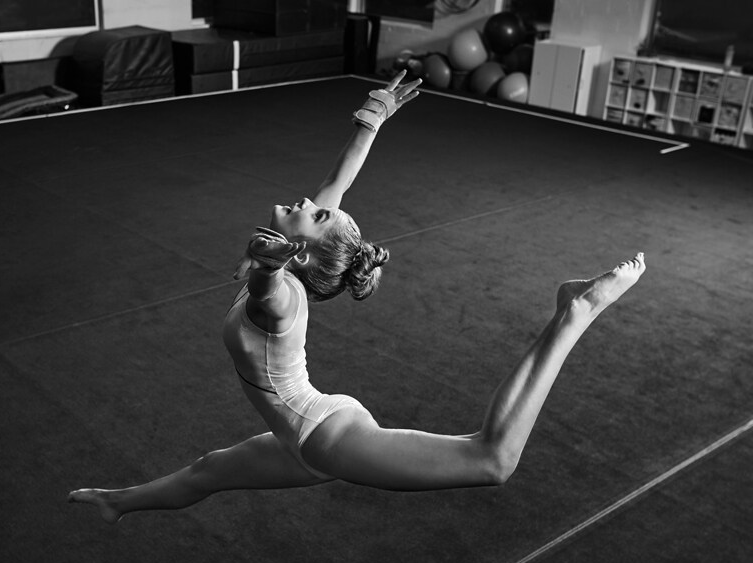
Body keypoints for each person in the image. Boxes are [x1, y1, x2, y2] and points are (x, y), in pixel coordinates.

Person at [68, 71, 646, 524]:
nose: (312, 199)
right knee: (210, 470)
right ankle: (120, 502)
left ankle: (575, 311)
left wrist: (265, 264)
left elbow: (267, 288)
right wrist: (373, 116)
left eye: (317, 214)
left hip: (327, 437)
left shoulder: (283, 298)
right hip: (303, 435)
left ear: (298, 255)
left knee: (490, 461)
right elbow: (339, 181)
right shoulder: (299, 256)